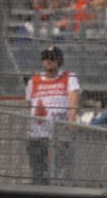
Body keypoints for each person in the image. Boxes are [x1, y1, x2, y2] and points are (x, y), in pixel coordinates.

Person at [26, 45, 80, 186]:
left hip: (59, 132)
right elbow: (29, 103)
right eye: (45, 58)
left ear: (59, 61)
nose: (48, 61)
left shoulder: (68, 77)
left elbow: (73, 97)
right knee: (38, 169)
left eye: (52, 58)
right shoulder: (34, 81)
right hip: (38, 133)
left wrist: (72, 119)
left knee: (59, 169)